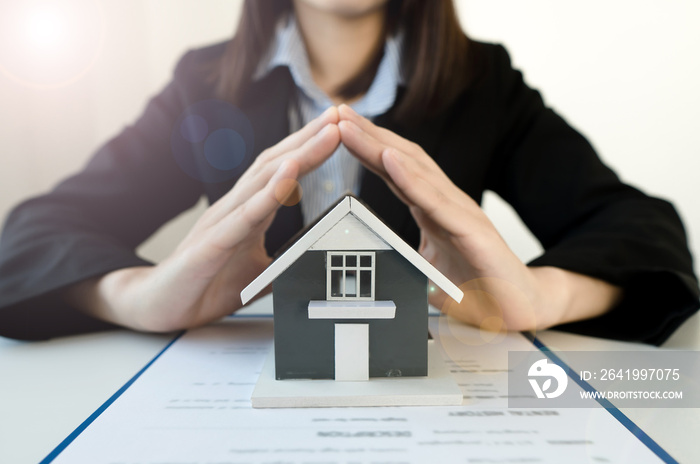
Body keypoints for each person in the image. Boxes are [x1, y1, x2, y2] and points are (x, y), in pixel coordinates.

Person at [0, 0, 697, 343]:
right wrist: (139, 297)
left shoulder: (484, 81)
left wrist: (536, 297)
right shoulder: (205, 84)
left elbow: (645, 230)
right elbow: (34, 233)